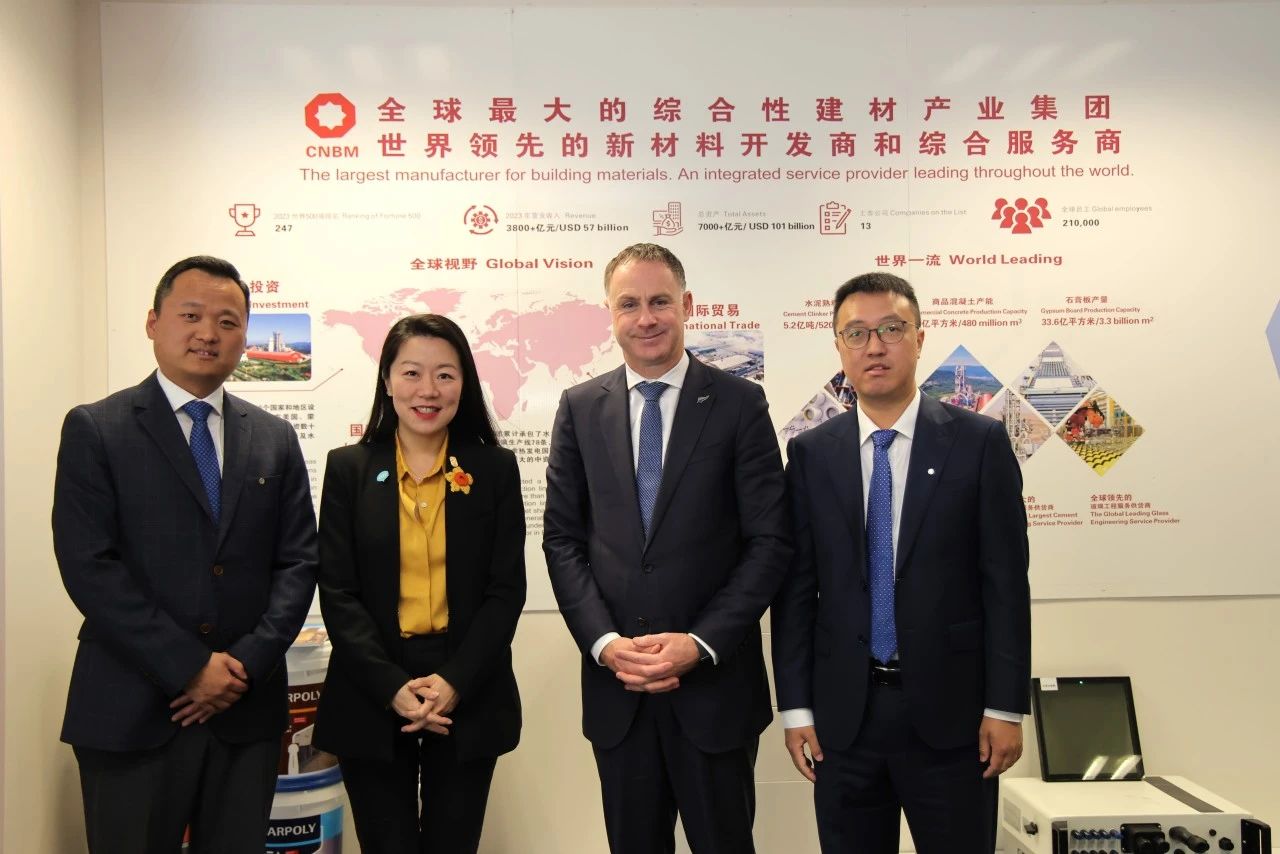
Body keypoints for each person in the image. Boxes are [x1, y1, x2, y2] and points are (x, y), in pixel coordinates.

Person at [52, 255, 318, 854]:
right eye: (191, 315)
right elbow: (89, 566)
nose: (208, 333)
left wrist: (243, 664)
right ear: (153, 322)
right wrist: (190, 667)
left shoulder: (274, 438)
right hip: (131, 709)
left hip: (243, 714)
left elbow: (298, 561)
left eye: (227, 322)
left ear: (244, 337)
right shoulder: (97, 428)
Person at [771, 272, 1031, 854]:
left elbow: (1006, 586)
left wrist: (1005, 706)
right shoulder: (810, 454)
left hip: (956, 719)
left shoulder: (979, 443)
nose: (875, 347)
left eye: (891, 329)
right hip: (844, 720)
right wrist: (795, 709)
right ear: (839, 347)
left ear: (919, 338)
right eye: (856, 333)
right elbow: (795, 592)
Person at [544, 243, 791, 854]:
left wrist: (700, 643)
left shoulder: (740, 403)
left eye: (660, 301)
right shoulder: (580, 408)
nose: (646, 318)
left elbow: (769, 542)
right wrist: (605, 644)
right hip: (619, 689)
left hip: (714, 691)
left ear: (687, 305)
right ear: (610, 313)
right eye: (629, 304)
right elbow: (563, 539)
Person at [313, 313, 525, 854]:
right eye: (411, 373)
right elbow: (338, 592)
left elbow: (506, 591)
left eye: (445, 375)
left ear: (464, 383)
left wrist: (455, 680)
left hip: (467, 685)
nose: (427, 390)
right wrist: (390, 685)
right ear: (387, 380)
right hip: (372, 685)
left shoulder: (494, 469)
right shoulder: (349, 469)